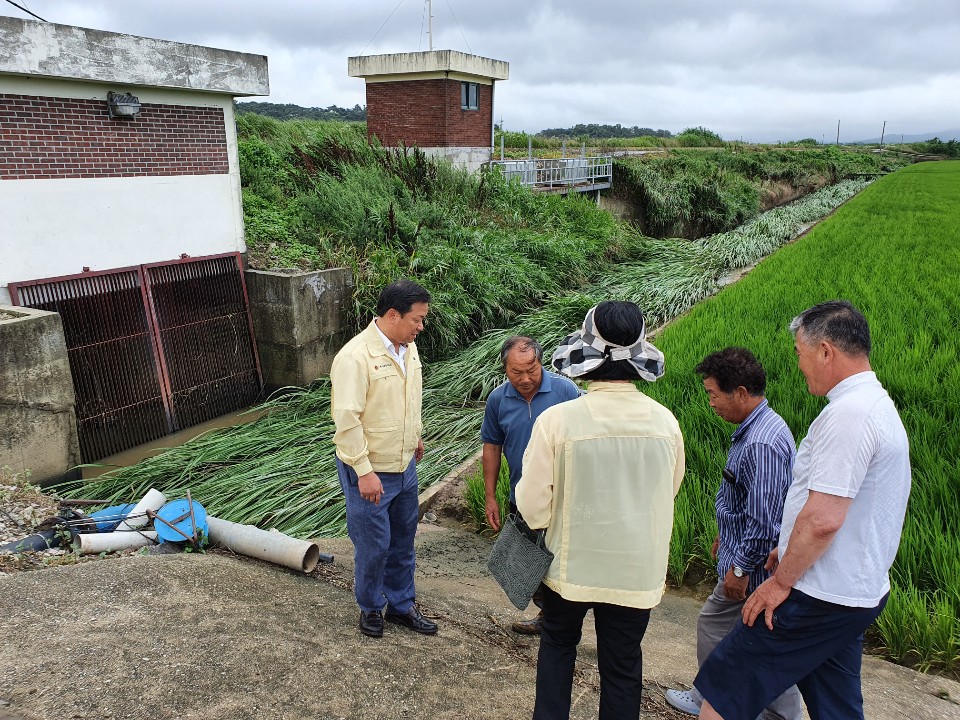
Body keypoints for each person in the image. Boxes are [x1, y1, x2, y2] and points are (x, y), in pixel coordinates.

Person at [696, 301, 911, 720]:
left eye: (800, 353)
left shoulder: (849, 415)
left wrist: (779, 583)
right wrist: (786, 545)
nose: (799, 365)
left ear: (826, 351)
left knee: (723, 695)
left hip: (816, 595)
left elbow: (824, 518)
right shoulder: (875, 405)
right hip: (853, 593)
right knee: (836, 706)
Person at [516, 301, 685, 720]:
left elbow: (534, 507)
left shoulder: (558, 421)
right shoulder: (666, 423)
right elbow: (671, 488)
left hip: (570, 570)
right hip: (636, 572)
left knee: (557, 647)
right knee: (623, 664)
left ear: (586, 357)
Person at [665, 348, 802, 719]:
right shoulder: (761, 427)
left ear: (740, 392)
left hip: (754, 568)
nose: (709, 402)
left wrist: (739, 569)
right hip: (744, 552)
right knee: (764, 641)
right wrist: (726, 535)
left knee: (717, 626)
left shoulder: (761, 442)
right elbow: (746, 504)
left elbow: (765, 521)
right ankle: (732, 701)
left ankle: (712, 698)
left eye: (712, 394)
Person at [330, 279, 438, 638]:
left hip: (405, 465)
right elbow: (347, 421)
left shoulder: (408, 347)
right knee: (374, 546)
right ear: (393, 316)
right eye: (417, 319)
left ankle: (402, 605)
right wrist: (363, 471)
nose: (421, 327)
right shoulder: (355, 357)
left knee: (404, 540)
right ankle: (371, 607)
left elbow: (407, 399)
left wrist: (415, 435)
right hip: (371, 471)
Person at [480, 335, 580, 635]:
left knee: (561, 562)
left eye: (531, 370)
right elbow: (492, 447)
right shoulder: (498, 399)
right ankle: (548, 615)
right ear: (505, 369)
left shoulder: (565, 390)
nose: (525, 379)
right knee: (527, 561)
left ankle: (559, 621)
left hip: (564, 497)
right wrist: (490, 496)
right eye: (516, 372)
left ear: (541, 362)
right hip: (523, 495)